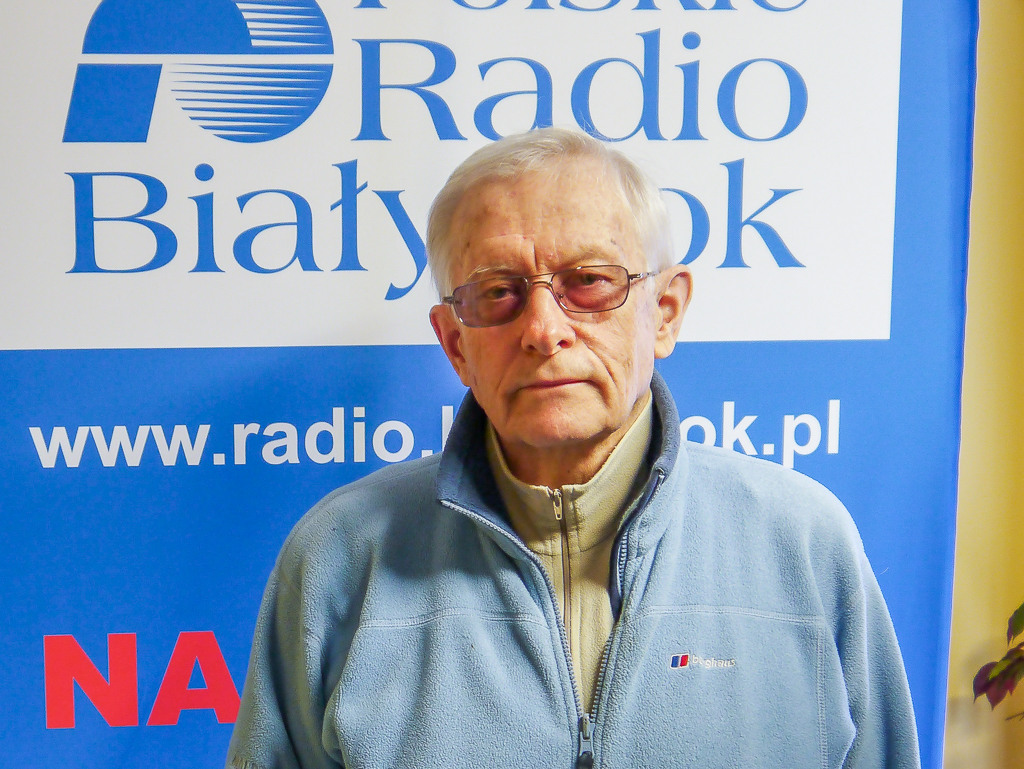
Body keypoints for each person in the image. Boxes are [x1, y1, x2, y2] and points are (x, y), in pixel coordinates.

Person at [226, 128, 920, 769]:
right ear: (455, 343)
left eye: (588, 281)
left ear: (665, 312)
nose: (543, 329)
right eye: (499, 292)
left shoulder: (804, 545)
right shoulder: (340, 557)